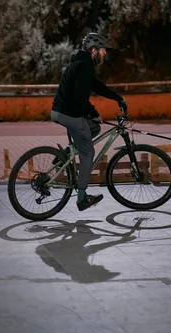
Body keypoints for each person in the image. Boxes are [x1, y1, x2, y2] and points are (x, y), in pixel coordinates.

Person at [51, 32, 127, 211]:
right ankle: (82, 199)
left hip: (63, 112)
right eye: (102, 50)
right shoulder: (84, 66)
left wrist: (117, 98)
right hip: (68, 113)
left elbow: (97, 86)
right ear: (93, 50)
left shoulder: (82, 63)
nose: (105, 53)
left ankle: (68, 153)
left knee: (94, 128)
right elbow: (79, 99)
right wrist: (93, 113)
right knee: (88, 154)